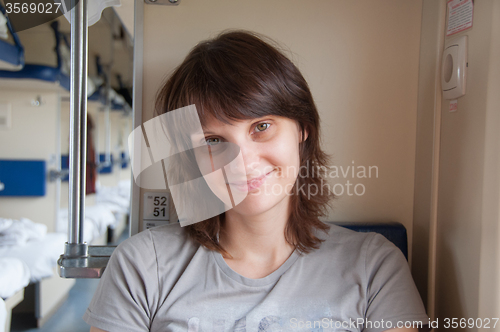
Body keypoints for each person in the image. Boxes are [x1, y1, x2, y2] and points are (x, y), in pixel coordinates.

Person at [85, 30, 429, 332]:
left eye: (261, 127)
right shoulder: (143, 267)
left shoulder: (374, 268)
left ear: (303, 128)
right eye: (211, 141)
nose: (242, 162)